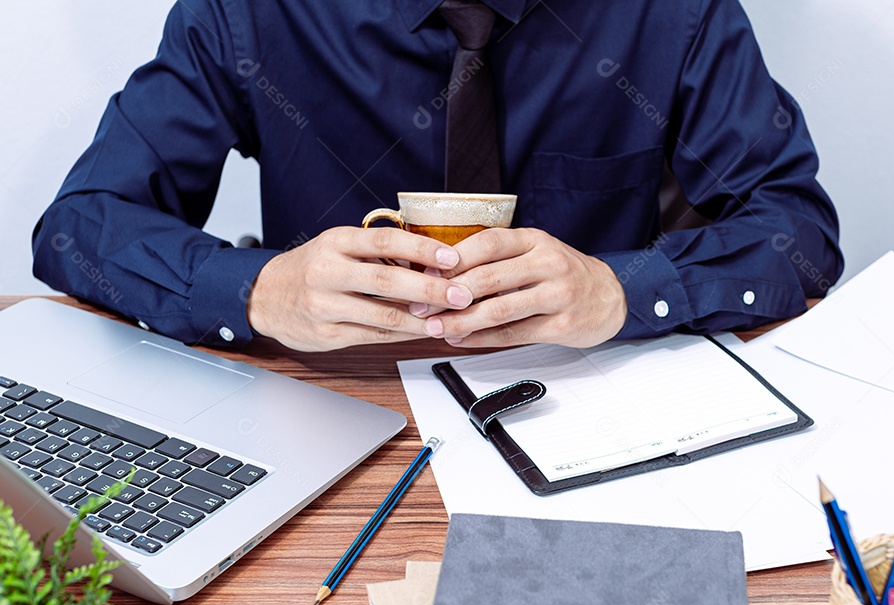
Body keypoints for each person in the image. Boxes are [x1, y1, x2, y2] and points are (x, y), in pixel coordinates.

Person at [32, 0, 841, 353]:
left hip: (592, 410)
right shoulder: (251, 9)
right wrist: (257, 291)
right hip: (327, 421)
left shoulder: (672, 10)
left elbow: (798, 229)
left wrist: (619, 290)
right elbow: (79, 223)